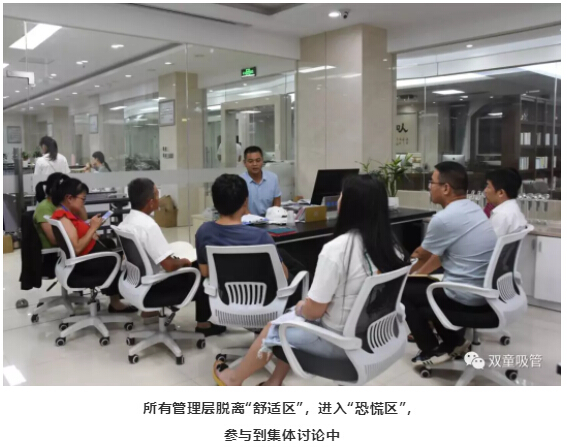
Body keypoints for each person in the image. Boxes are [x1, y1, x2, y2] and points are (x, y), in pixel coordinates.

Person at [212, 175, 410, 386]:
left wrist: (301, 307)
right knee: (291, 318)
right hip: (376, 337)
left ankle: (233, 379)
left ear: (350, 205)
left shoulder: (337, 250)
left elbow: (313, 312)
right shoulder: (392, 247)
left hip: (338, 342)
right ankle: (274, 382)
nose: (338, 199)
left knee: (275, 327)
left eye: (341, 195)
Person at [404, 162, 498, 366]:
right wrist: (416, 274)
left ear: (446, 188)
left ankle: (431, 349)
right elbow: (437, 255)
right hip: (483, 291)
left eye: (432, 182)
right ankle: (454, 342)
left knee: (403, 291)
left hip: (465, 296)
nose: (429, 187)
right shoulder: (473, 209)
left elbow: (422, 255)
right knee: (420, 288)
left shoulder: (444, 219)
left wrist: (394, 274)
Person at [119, 178, 225, 335]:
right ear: (150, 202)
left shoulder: (127, 221)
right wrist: (183, 261)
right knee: (200, 269)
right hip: (154, 289)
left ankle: (149, 313)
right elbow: (169, 266)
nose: (159, 198)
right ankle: (203, 324)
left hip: (136, 283)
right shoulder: (148, 226)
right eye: (157, 194)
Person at [196, 174, 304, 305]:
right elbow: (283, 276)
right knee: (298, 273)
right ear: (245, 202)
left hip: (227, 300)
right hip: (265, 302)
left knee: (283, 254)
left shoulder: (204, 231)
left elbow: (205, 271)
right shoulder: (261, 236)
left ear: (215, 202)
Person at [50, 177, 136, 313]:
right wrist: (92, 229)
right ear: (69, 198)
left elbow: (80, 226)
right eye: (82, 199)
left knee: (113, 246)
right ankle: (118, 302)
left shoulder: (67, 214)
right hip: (84, 264)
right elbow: (77, 248)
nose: (83, 203)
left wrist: (90, 229)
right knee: (125, 256)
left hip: (85, 259)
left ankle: (116, 299)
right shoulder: (63, 217)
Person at [484, 168, 527, 237]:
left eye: (488, 187)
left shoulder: (501, 215)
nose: (485, 191)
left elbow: (488, 241)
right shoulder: (513, 208)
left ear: (501, 193)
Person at [240, 146, 281, 216]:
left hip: (270, 219)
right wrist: (254, 219)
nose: (255, 164)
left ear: (262, 161)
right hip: (247, 219)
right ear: (245, 163)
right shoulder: (240, 181)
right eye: (250, 161)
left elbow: (277, 202)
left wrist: (273, 217)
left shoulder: (273, 178)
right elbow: (240, 207)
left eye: (258, 160)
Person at [33, 173, 69, 248]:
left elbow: (83, 219)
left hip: (65, 248)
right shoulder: (44, 208)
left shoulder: (62, 205)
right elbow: (54, 240)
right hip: (54, 251)